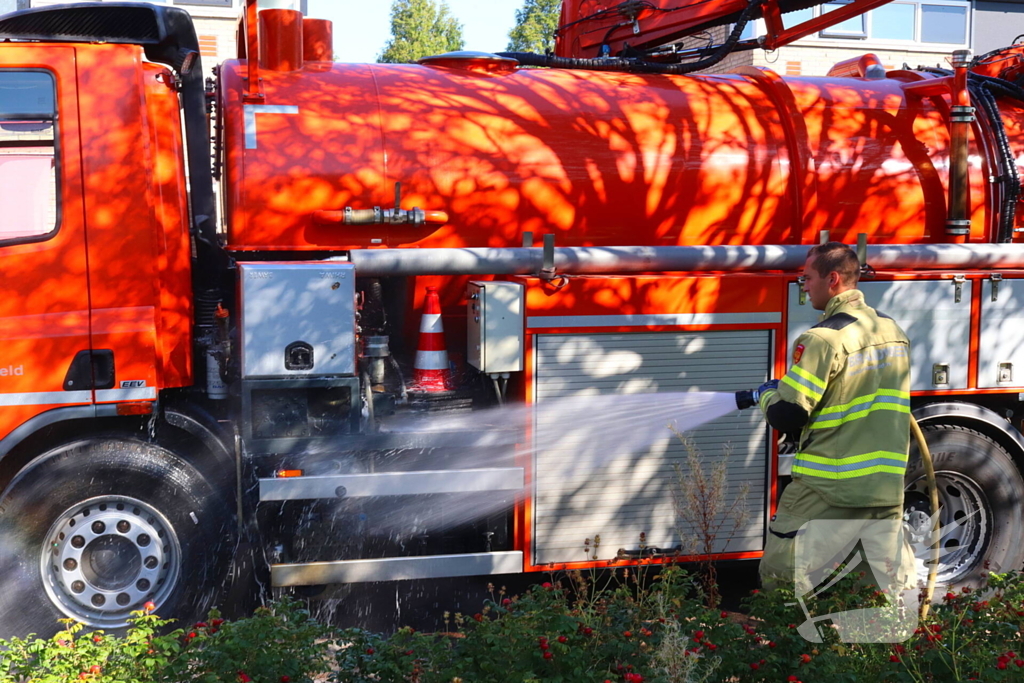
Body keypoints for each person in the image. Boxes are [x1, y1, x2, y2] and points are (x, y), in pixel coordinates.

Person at [736, 242, 915, 593]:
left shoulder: (823, 338)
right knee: (879, 587)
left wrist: (767, 393)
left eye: (807, 278)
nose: (803, 286)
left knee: (783, 574)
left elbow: (788, 415)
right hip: (884, 488)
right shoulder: (893, 331)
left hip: (827, 487)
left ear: (832, 279)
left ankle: (789, 627)